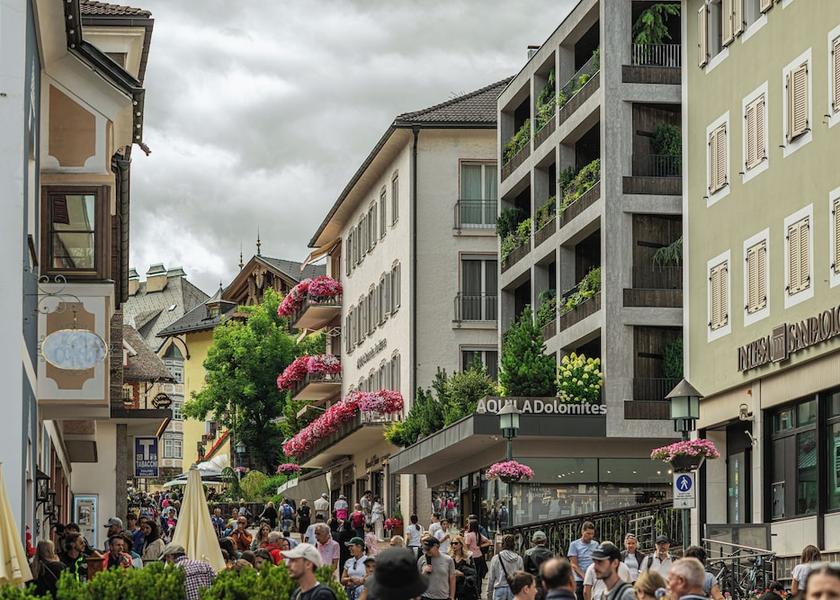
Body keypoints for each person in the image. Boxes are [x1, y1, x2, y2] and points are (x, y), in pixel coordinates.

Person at [488, 534, 525, 600]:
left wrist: (489, 594)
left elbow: (491, 579)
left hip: (499, 590)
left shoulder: (496, 558)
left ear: (502, 544)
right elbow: (521, 578)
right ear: (514, 544)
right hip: (513, 590)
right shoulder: (519, 559)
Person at [418, 536, 456, 600]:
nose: (426, 551)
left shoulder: (448, 560)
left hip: (443, 597)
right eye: (425, 549)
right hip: (426, 597)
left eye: (428, 549)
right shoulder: (422, 559)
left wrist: (452, 597)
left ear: (436, 546)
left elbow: (452, 579)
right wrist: (423, 572)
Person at [568, 522, 599, 600]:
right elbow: (574, 564)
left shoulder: (595, 544)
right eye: (588, 533)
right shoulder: (574, 545)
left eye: (592, 534)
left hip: (593, 579)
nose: (590, 536)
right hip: (580, 579)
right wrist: (585, 577)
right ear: (582, 532)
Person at [450, 535, 479, 600]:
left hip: (465, 588)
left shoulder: (468, 557)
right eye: (452, 543)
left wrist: (462, 574)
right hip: (453, 587)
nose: (453, 545)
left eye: (456, 543)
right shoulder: (449, 557)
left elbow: (474, 573)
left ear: (461, 544)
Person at [465, 519, 491, 584]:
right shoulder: (478, 534)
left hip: (472, 557)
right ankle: (479, 590)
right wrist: (479, 546)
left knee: (473, 573)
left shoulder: (469, 535)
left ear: (471, 526)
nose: (467, 525)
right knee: (479, 575)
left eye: (469, 524)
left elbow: (466, 546)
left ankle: (474, 589)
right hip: (479, 556)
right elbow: (489, 542)